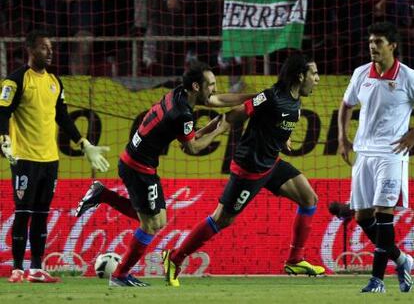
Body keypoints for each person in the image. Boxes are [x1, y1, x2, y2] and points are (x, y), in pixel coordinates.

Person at [75, 61, 255, 287]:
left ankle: (102, 195)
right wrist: (221, 128)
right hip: (137, 167)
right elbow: (192, 148)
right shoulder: (182, 114)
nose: (214, 89)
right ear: (197, 87)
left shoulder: (180, 93)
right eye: (210, 84)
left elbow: (217, 101)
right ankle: (120, 275)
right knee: (151, 224)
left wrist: (253, 97)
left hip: (140, 163)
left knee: (157, 220)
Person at [163, 53, 324, 287]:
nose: (317, 79)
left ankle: (295, 259)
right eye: (314, 73)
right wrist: (204, 134)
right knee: (222, 219)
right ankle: (175, 258)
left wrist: (284, 139)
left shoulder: (295, 100)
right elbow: (234, 114)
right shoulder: (270, 97)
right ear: (300, 76)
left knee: (309, 198)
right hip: (250, 167)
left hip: (271, 163)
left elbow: (279, 124)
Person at [0, 29, 110, 283]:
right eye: (43, 47)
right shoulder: (16, 80)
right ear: (30, 50)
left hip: (50, 160)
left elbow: (63, 116)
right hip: (25, 158)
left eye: (50, 47)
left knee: (41, 214)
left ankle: (36, 268)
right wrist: (4, 138)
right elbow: (2, 112)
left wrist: (83, 143)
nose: (49, 52)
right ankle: (17, 269)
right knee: (23, 213)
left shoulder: (55, 82)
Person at [338, 21, 413, 293]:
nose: (372, 47)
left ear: (392, 46)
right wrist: (342, 138)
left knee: (383, 213)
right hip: (364, 153)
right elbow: (346, 105)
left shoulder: (408, 76)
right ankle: (402, 259)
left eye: (378, 42)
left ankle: (377, 280)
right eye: (371, 42)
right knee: (362, 216)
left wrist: (413, 134)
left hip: (392, 154)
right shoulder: (360, 74)